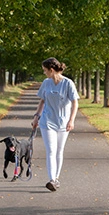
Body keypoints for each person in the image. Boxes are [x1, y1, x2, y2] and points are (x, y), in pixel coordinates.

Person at [32, 57, 79, 192]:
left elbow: (75, 103)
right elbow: (42, 101)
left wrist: (72, 120)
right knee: (51, 150)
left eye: (45, 70)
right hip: (47, 121)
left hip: (64, 123)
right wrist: (36, 117)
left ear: (51, 70)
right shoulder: (46, 83)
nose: (44, 73)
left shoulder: (68, 83)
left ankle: (56, 178)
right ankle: (52, 179)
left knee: (59, 150)